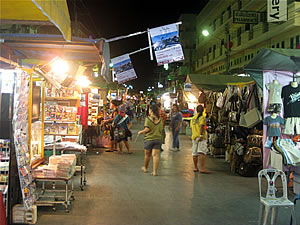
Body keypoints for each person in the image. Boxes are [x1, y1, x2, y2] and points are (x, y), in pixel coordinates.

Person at [138, 104, 163, 176]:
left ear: (151, 111)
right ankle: (155, 172)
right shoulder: (160, 120)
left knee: (147, 155)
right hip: (158, 139)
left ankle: (145, 168)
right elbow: (161, 129)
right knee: (155, 156)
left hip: (149, 139)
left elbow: (147, 129)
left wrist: (141, 132)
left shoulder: (148, 119)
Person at [190, 105, 211, 174]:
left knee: (195, 153)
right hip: (201, 137)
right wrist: (201, 135)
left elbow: (191, 128)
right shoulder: (202, 118)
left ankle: (195, 167)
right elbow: (202, 126)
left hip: (194, 137)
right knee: (202, 152)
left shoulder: (193, 118)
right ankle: (202, 168)